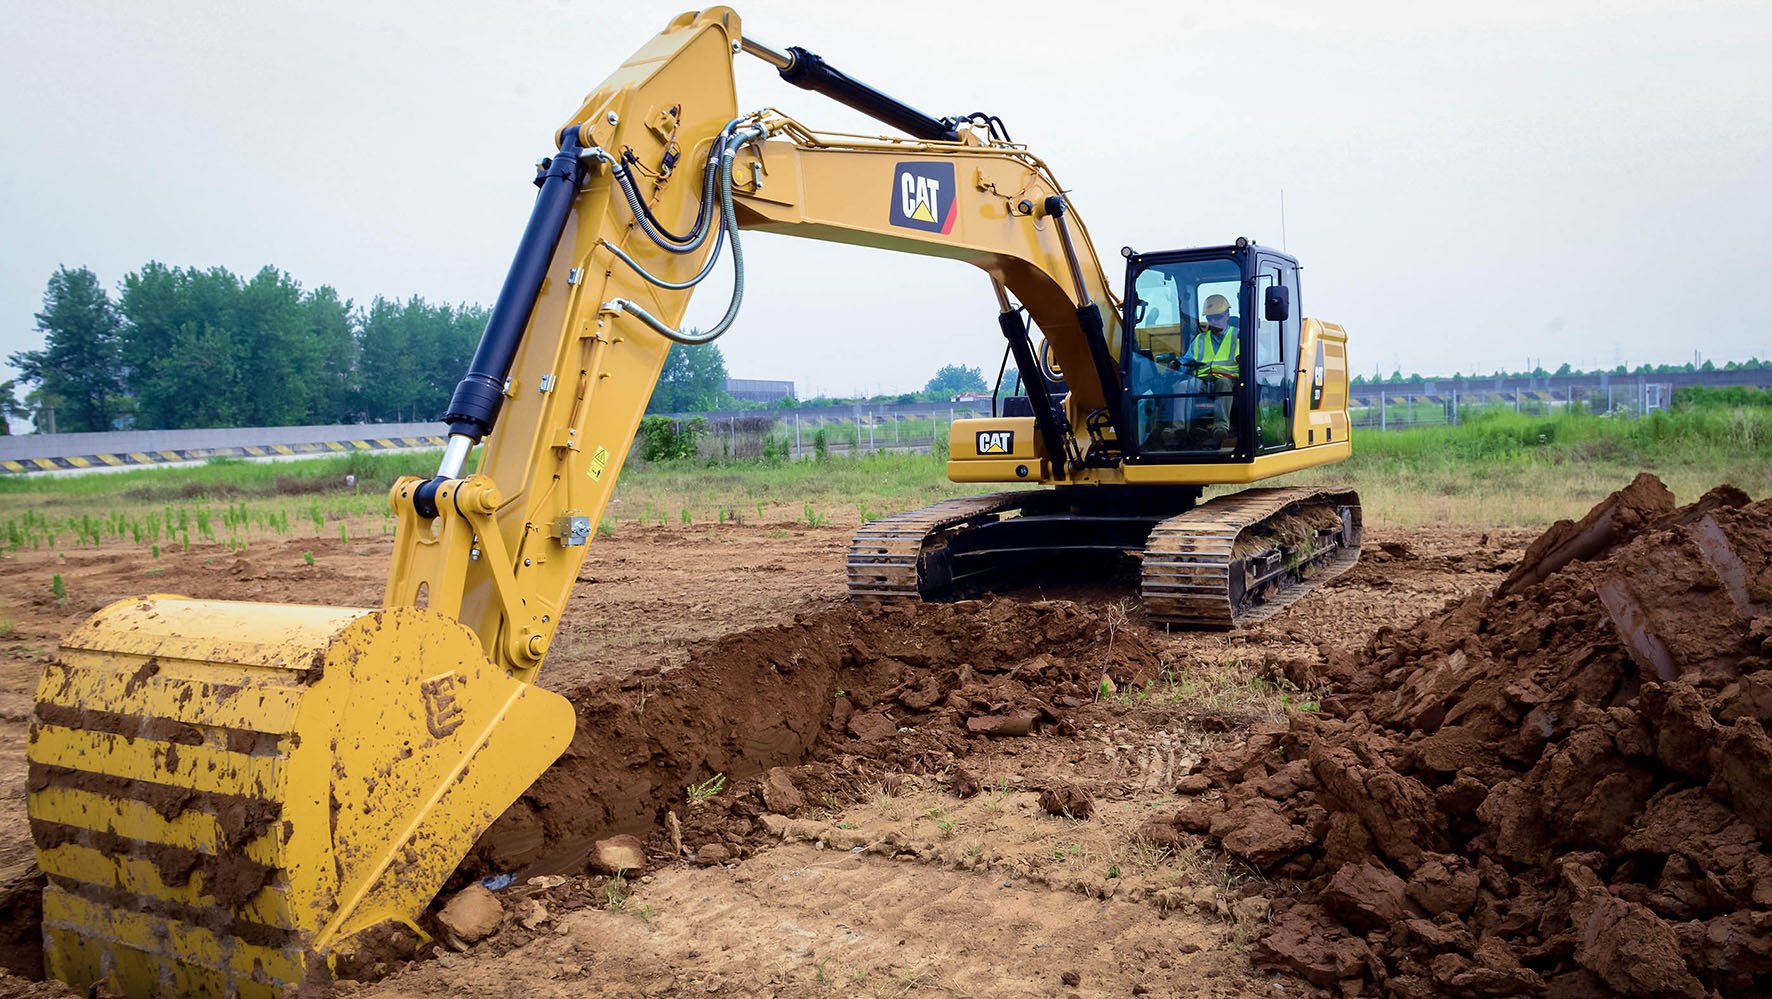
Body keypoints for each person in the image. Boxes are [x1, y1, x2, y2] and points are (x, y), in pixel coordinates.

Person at [1187, 293, 1239, 441]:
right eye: (1210, 318)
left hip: (1228, 380)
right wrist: (1177, 364)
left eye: (1218, 316)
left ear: (1227, 314)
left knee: (1223, 383)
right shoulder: (1200, 339)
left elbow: (1260, 354)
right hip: (1203, 380)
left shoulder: (1239, 336)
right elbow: (1187, 359)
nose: (1214, 321)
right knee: (1183, 385)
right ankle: (1178, 429)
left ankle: (1221, 428)